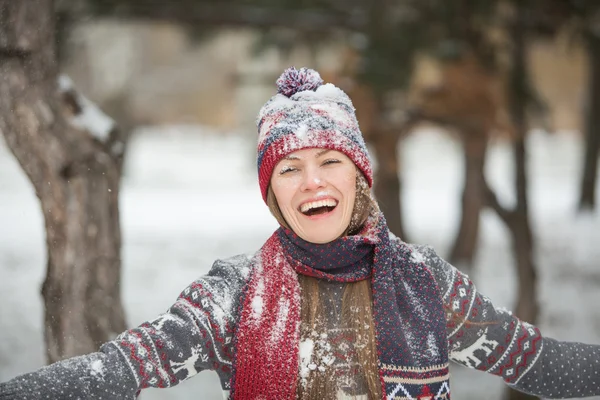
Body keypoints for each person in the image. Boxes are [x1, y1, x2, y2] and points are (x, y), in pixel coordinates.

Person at [1, 66, 600, 400]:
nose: (312, 182)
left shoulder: (425, 283)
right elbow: (121, 369)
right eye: (289, 168)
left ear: (360, 175)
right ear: (272, 193)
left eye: (330, 161)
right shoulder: (231, 295)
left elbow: (540, 364)